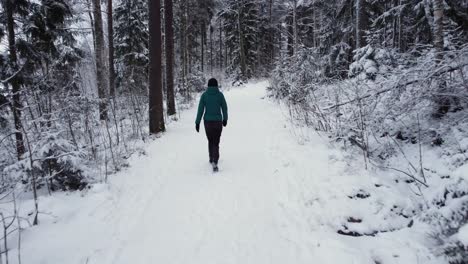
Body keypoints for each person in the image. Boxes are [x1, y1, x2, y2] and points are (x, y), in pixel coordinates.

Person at [195, 78, 228, 172]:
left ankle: (211, 158)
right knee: (216, 141)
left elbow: (200, 110)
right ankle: (215, 160)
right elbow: (225, 108)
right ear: (216, 85)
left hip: (208, 122)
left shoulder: (204, 95)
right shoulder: (220, 95)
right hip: (218, 122)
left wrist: (197, 122)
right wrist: (225, 119)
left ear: (208, 86)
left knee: (210, 140)